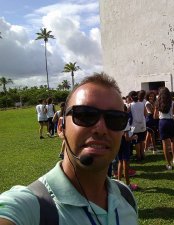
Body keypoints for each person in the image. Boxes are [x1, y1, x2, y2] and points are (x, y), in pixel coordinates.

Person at [0, 73, 138, 225]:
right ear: (61, 127)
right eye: (85, 115)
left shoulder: (125, 196)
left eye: (115, 118)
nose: (101, 129)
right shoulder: (31, 206)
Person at [154, 87, 174, 170]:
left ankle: (168, 164)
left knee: (164, 144)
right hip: (170, 121)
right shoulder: (173, 103)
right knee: (173, 141)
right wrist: (173, 115)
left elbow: (155, 116)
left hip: (162, 122)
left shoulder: (158, 103)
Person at [117, 105, 139, 191]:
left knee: (120, 162)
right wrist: (133, 137)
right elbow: (126, 137)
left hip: (118, 142)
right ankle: (128, 184)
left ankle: (118, 183)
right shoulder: (125, 120)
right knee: (125, 163)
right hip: (124, 143)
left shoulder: (116, 119)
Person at [128, 91, 147, 162]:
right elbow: (146, 114)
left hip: (134, 126)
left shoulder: (130, 105)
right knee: (142, 140)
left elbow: (127, 113)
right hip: (142, 124)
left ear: (131, 98)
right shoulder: (142, 104)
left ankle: (138, 156)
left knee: (136, 142)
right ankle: (142, 154)